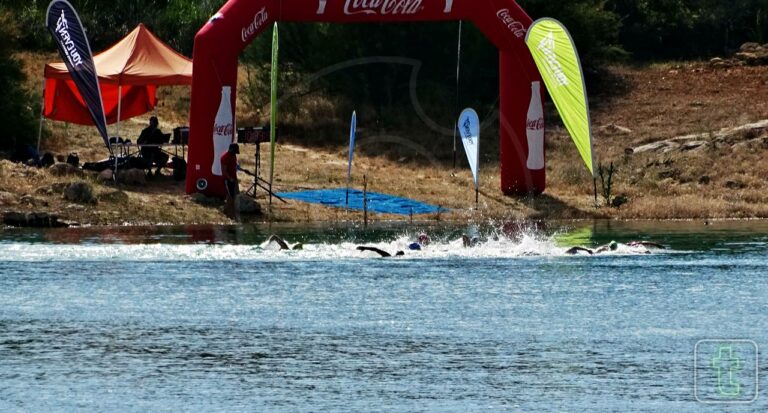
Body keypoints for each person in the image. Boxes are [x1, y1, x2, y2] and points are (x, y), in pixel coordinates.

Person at [221, 143, 240, 218]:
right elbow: (224, 171)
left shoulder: (233, 156)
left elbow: (234, 165)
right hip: (228, 179)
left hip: (234, 178)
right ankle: (229, 213)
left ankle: (228, 210)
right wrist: (230, 178)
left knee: (235, 195)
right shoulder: (225, 157)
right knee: (230, 196)